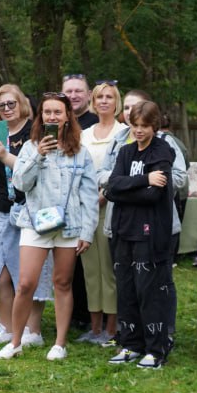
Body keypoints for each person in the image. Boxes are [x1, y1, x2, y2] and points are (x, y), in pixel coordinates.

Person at [0, 92, 97, 361]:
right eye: (47, 112)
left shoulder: (81, 153)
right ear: (41, 116)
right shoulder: (30, 147)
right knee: (26, 284)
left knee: (62, 282)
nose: (52, 117)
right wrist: (38, 156)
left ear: (67, 117)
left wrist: (87, 232)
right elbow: (20, 183)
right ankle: (15, 342)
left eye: (58, 112)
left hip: (69, 226)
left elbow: (88, 196)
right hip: (34, 222)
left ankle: (60, 344)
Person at [102, 100, 176, 369]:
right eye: (135, 125)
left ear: (155, 125)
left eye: (145, 126)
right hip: (123, 231)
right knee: (126, 290)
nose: (140, 131)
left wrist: (125, 191)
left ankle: (156, 349)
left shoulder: (162, 151)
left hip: (150, 233)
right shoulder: (125, 152)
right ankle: (131, 344)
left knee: (149, 291)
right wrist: (144, 179)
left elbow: (154, 195)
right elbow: (112, 187)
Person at [0, 84, 35, 344]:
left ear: (21, 103)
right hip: (0, 206)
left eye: (11, 103)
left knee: (27, 273)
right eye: (2, 106)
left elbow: (34, 170)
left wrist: (5, 155)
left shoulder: (34, 130)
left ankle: (33, 331)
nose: (7, 109)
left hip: (29, 207)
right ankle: (8, 328)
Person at [78, 81, 125, 344]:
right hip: (86, 208)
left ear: (116, 102)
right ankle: (94, 328)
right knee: (90, 268)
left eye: (109, 97)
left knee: (108, 268)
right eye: (100, 97)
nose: (104, 101)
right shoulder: (84, 134)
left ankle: (111, 328)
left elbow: (120, 172)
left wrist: (103, 196)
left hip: (112, 207)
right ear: (93, 102)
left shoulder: (124, 132)